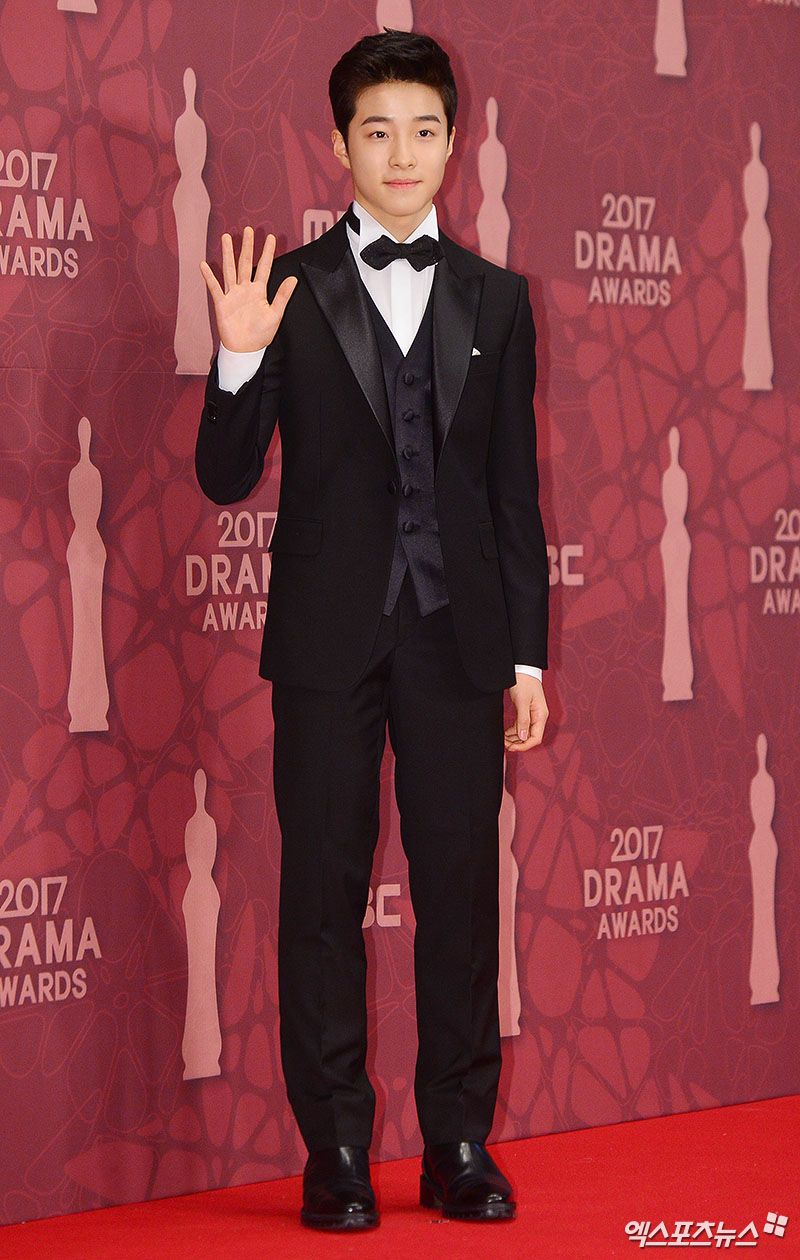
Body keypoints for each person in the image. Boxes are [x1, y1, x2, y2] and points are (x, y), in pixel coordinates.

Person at [195, 29, 549, 1231]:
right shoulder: (287, 288)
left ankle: (458, 1143)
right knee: (321, 895)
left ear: (454, 141)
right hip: (324, 639)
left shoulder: (497, 298)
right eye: (377, 131)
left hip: (457, 641)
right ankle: (336, 1151)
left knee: (460, 897)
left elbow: (511, 497)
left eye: (424, 130)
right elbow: (222, 478)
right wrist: (237, 358)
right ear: (339, 143)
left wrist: (525, 657)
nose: (402, 154)